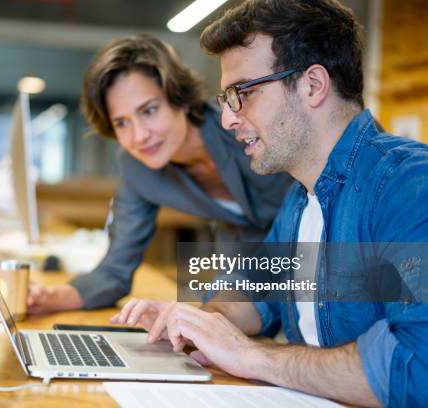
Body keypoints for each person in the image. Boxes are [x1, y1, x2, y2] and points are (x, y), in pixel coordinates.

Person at [111, 1, 428, 406]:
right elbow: (254, 289)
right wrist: (198, 323)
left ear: (313, 85)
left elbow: (417, 370)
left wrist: (251, 356)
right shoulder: (299, 197)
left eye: (243, 92)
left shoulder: (409, 186)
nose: (227, 118)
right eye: (227, 97)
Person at [27, 34, 292, 313]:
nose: (139, 136)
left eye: (149, 111)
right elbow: (115, 269)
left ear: (180, 100)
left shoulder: (240, 126)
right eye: (122, 123)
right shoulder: (137, 168)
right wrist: (49, 297)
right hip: (246, 255)